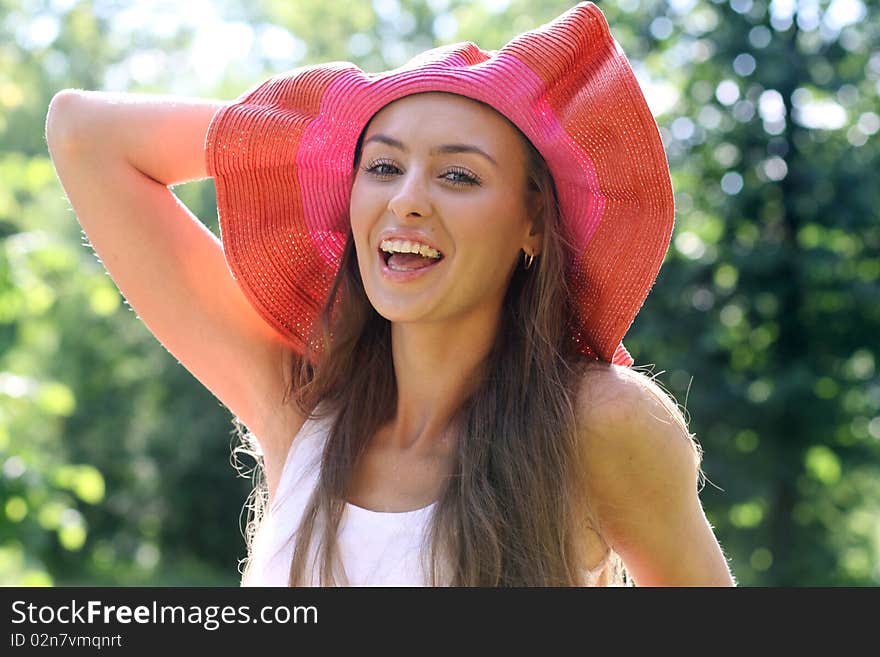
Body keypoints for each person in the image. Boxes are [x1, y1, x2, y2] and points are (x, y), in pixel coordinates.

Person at [45, 2, 735, 586]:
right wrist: (315, 135)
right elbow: (83, 134)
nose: (406, 201)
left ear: (531, 224)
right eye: (382, 166)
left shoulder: (595, 419)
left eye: (458, 176)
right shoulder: (305, 412)